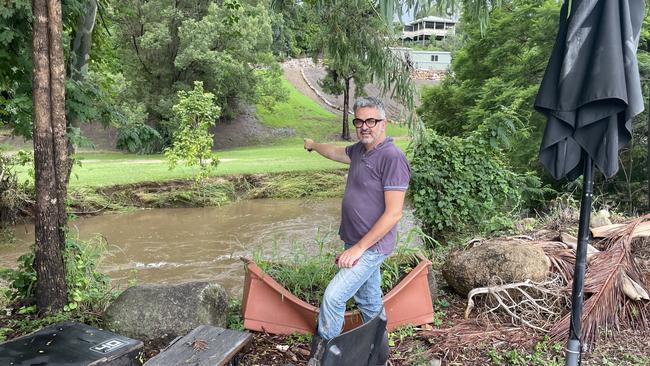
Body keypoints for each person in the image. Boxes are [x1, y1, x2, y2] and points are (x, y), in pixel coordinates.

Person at [303, 97, 410, 363]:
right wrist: (314, 146)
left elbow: (394, 213)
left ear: (383, 124)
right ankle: (377, 356)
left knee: (333, 298)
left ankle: (326, 359)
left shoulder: (392, 157)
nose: (365, 126)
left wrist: (359, 249)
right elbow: (336, 152)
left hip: (370, 247)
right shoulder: (360, 151)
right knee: (370, 303)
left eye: (371, 121)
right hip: (354, 242)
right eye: (360, 121)